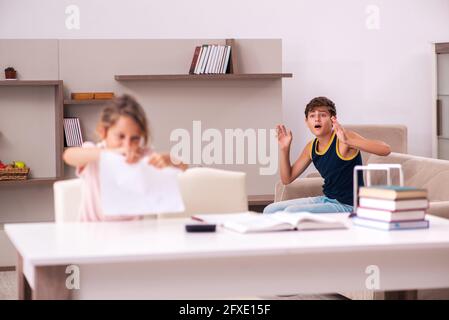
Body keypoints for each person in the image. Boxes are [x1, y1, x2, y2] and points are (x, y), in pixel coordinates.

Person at [63, 94, 187, 222]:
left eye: (135, 139)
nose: (127, 145)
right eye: (120, 137)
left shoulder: (143, 156)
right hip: (93, 234)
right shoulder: (94, 154)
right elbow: (68, 156)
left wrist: (168, 159)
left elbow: (183, 166)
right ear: (103, 132)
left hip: (132, 234)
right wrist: (110, 153)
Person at [263, 96, 391, 214]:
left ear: (333, 119)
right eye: (312, 116)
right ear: (307, 121)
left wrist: (348, 141)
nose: (317, 119)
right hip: (328, 200)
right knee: (270, 210)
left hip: (349, 205)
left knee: (291, 212)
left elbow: (385, 149)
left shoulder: (344, 138)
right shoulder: (311, 147)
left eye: (322, 115)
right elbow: (287, 179)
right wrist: (284, 149)